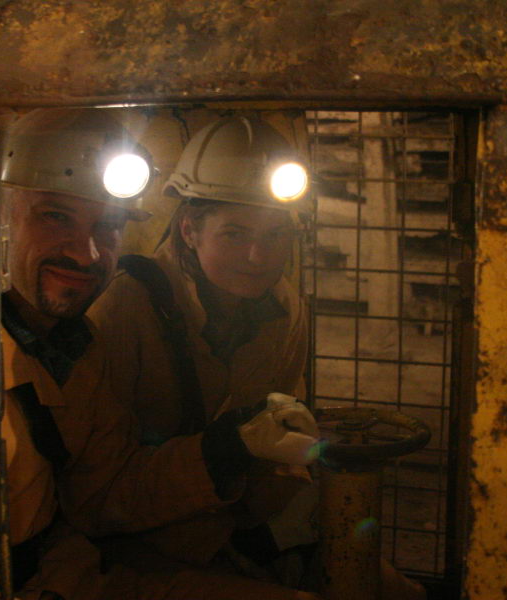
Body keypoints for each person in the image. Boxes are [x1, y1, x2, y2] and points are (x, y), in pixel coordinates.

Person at [87, 115, 427, 599]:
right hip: (135, 546)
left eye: (275, 235)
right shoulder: (126, 308)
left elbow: (282, 449)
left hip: (237, 529)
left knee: (399, 594)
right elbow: (96, 497)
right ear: (189, 230)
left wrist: (283, 522)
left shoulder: (285, 310)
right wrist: (224, 452)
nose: (257, 256)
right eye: (234, 233)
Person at [0, 107, 322, 600]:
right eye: (55, 216)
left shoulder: (73, 346)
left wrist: (268, 514)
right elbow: (99, 508)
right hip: (113, 555)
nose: (86, 252)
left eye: (108, 225)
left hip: (97, 560)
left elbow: (103, 489)